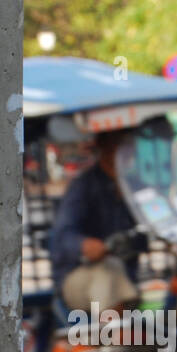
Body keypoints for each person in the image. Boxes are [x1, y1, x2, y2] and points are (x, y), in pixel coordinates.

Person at [50, 128, 141, 313]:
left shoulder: (134, 186)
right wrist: (85, 245)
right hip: (78, 278)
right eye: (118, 144)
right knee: (109, 268)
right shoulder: (83, 186)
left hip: (125, 276)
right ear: (103, 146)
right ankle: (112, 337)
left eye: (128, 144)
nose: (125, 150)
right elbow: (62, 237)